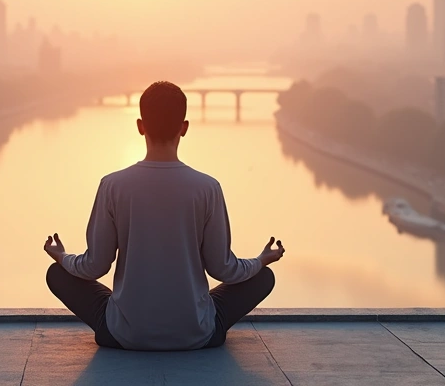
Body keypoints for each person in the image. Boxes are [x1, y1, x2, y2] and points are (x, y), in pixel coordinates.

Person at [43, 80, 285, 351]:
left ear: (140, 126)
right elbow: (223, 269)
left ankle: (129, 317)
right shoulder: (207, 188)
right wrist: (260, 260)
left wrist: (62, 257)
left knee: (58, 274)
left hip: (124, 335)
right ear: (184, 128)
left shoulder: (112, 186)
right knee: (263, 277)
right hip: (197, 334)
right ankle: (192, 321)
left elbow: (94, 266)